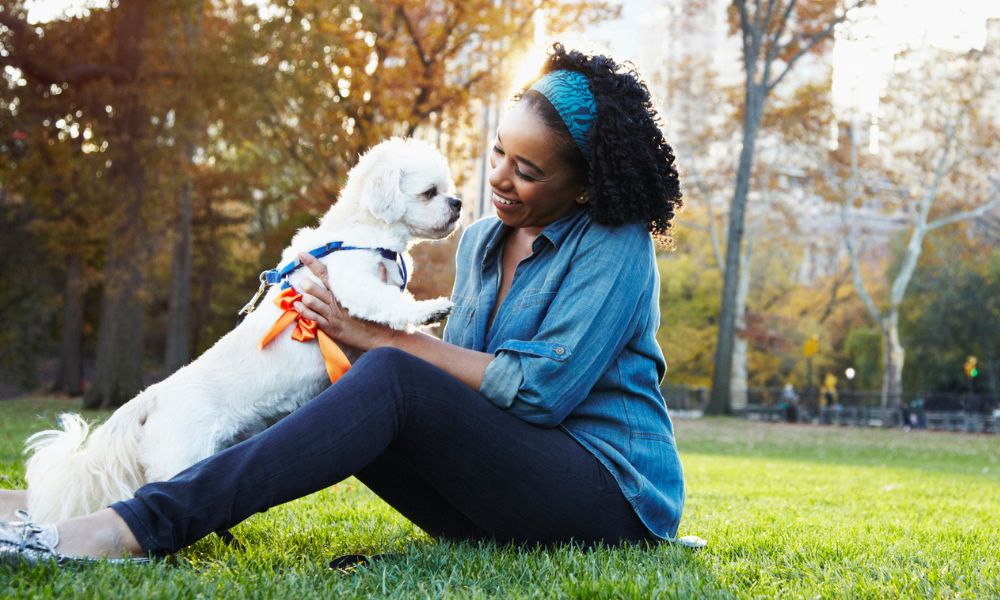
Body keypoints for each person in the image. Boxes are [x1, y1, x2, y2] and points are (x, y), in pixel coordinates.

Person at [0, 43, 689, 564]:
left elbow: (537, 392)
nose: (499, 179)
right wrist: (338, 327)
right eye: (498, 153)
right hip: (493, 499)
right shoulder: (483, 241)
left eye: (528, 171)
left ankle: (127, 530)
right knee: (344, 375)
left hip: (607, 499)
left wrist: (382, 338)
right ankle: (61, 506)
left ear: (586, 187)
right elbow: (458, 387)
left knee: (384, 373)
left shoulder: (615, 245)